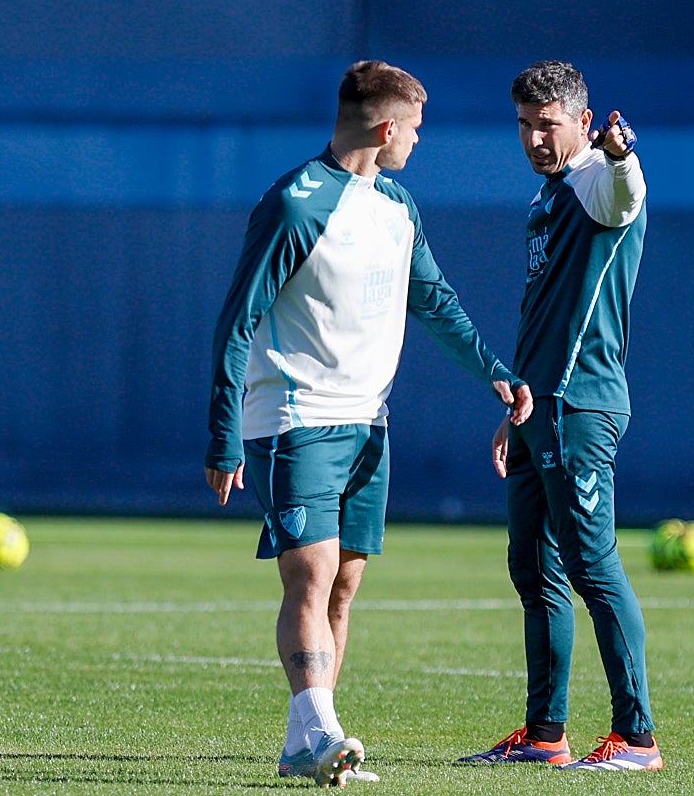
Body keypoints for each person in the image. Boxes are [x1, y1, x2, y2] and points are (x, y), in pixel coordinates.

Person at [204, 60, 533, 787]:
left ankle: (302, 745)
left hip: (368, 424)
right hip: (294, 417)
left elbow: (436, 301)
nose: (418, 140)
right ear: (386, 127)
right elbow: (237, 321)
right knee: (312, 573)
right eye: (414, 128)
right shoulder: (295, 204)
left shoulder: (397, 206)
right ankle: (323, 732)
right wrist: (224, 430)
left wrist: (496, 373)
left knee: (346, 583)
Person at [457, 60, 663, 773]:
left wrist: (621, 153)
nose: (535, 137)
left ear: (582, 119)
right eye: (524, 123)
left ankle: (637, 740)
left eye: (547, 124)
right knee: (533, 567)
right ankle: (545, 735)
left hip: (580, 404)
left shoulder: (599, 183)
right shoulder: (547, 197)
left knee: (591, 566)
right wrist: (515, 401)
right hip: (537, 405)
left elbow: (628, 191)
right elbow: (539, 315)